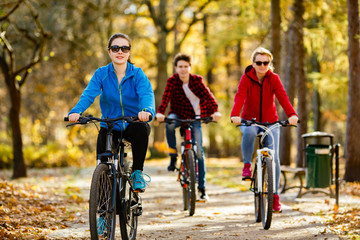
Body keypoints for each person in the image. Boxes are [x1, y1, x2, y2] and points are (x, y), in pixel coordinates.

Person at [68, 33, 155, 193]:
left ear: (129, 52)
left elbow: (146, 95)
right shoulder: (101, 73)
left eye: (124, 48)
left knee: (141, 129)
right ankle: (102, 212)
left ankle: (137, 173)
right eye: (115, 48)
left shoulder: (137, 74)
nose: (120, 51)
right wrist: (76, 111)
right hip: (110, 125)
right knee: (102, 164)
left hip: (133, 123)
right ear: (109, 51)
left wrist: (146, 111)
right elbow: (89, 94)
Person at [230, 47, 298, 212]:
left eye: (265, 63)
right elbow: (239, 96)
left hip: (271, 122)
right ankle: (247, 165)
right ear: (253, 64)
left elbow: (282, 96)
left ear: (269, 64)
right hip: (250, 121)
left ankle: (274, 196)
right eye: (259, 62)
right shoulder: (246, 78)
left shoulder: (274, 78)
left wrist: (292, 115)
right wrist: (235, 115)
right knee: (249, 131)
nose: (262, 66)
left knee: (274, 158)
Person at [156, 53, 221, 201]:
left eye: (186, 66)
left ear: (190, 67)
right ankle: (173, 156)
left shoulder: (197, 81)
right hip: (178, 115)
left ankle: (202, 189)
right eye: (180, 67)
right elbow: (165, 98)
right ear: (175, 68)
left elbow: (209, 96)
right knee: (170, 123)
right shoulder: (172, 81)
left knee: (199, 153)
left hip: (196, 118)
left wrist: (215, 111)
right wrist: (160, 113)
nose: (183, 69)